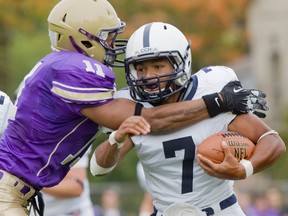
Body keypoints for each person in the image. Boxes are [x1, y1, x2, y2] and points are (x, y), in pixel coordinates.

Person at [0, 0, 267, 214]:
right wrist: (220, 102)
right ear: (81, 39)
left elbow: (270, 140)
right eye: (106, 36)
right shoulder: (74, 69)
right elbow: (150, 120)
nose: (111, 44)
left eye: (158, 66)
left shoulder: (57, 65)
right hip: (7, 191)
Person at [92, 22, 286, 216]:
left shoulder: (212, 87)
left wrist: (243, 169)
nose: (148, 76)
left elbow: (272, 141)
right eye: (140, 69)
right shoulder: (130, 104)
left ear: (180, 63)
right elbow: (98, 169)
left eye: (158, 66)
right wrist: (115, 139)